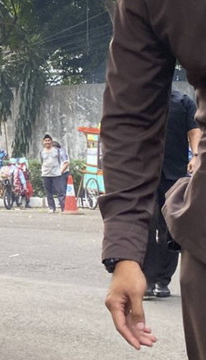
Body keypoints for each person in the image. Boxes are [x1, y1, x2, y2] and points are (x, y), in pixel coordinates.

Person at [100, 1, 206, 356]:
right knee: (162, 230)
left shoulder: (183, 106)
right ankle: (158, 276)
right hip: (184, 194)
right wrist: (124, 253)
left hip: (178, 174)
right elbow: (130, 119)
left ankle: (160, 277)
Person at [142, 90, 200, 299]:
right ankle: (146, 279)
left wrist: (195, 155)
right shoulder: (141, 99)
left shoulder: (183, 101)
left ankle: (162, 280)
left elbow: (194, 131)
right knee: (146, 225)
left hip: (174, 174)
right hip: (145, 174)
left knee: (170, 230)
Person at [39, 134, 67, 213]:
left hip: (56, 174)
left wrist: (60, 171)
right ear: (43, 142)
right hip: (45, 174)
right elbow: (42, 161)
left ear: (51, 141)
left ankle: (63, 208)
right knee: (48, 192)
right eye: (46, 141)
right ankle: (51, 207)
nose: (47, 142)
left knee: (60, 192)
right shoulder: (42, 152)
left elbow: (61, 161)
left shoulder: (56, 151)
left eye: (49, 140)